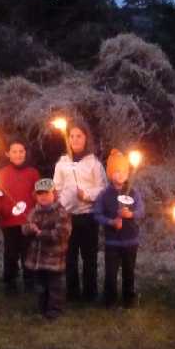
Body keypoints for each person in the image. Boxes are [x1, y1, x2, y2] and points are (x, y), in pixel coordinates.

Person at [51, 121, 106, 302]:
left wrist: (87, 195)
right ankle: (72, 293)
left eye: (79, 136)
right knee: (70, 256)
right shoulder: (62, 163)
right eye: (72, 136)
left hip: (88, 217)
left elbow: (102, 188)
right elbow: (57, 188)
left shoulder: (94, 163)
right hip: (68, 216)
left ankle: (90, 293)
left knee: (89, 256)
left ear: (86, 139)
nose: (75, 139)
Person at [92, 149, 144, 308]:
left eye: (123, 171)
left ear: (128, 173)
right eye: (115, 172)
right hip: (112, 242)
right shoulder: (104, 194)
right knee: (111, 273)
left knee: (129, 271)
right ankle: (110, 300)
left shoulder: (133, 192)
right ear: (109, 174)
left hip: (130, 241)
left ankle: (129, 299)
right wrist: (111, 222)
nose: (119, 175)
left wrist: (130, 215)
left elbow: (141, 211)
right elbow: (97, 214)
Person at [0, 139, 39, 294]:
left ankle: (29, 280)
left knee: (28, 251)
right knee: (11, 252)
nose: (18, 154)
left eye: (21, 151)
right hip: (9, 220)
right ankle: (10, 281)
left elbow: (38, 192)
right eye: (14, 152)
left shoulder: (33, 173)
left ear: (25, 153)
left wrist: (40, 204)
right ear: (8, 154)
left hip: (27, 219)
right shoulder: (1, 174)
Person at [22, 178, 72, 320]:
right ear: (35, 196)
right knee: (41, 286)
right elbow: (24, 229)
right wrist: (29, 229)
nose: (43, 197)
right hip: (37, 259)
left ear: (54, 194)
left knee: (55, 287)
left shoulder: (61, 213)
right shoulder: (33, 212)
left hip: (54, 259)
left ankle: (54, 311)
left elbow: (62, 234)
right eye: (40, 194)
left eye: (47, 193)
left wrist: (41, 234)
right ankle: (42, 308)